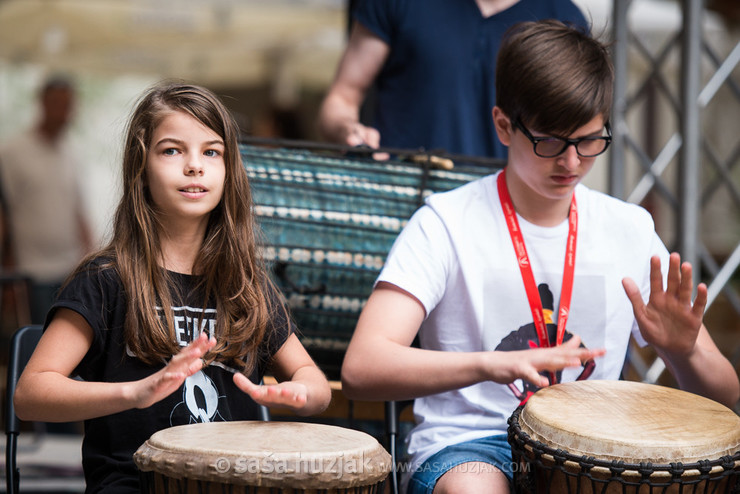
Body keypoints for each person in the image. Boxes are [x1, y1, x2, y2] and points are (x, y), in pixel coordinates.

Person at [340, 20, 740, 494]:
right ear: (503, 126)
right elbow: (362, 368)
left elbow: (726, 400)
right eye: (550, 141)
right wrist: (491, 364)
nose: (571, 162)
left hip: (593, 448)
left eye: (590, 140)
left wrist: (684, 349)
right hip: (472, 445)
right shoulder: (445, 222)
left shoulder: (629, 229)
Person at [14, 82, 332, 493]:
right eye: (172, 150)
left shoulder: (247, 286)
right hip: (134, 483)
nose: (194, 165)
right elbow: (32, 392)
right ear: (140, 167)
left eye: (211, 152)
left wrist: (301, 392)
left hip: (232, 483)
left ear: (229, 170)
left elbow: (315, 383)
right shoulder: (105, 278)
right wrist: (135, 392)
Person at [317, 0, 588, 160]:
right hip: (402, 203)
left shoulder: (563, 18)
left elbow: (571, 133)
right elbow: (341, 99)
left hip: (506, 217)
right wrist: (349, 131)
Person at [0, 76, 94, 324]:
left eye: (68, 105)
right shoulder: (13, 152)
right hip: (32, 272)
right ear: (42, 103)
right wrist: (7, 273)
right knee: (38, 342)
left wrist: (92, 260)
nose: (64, 112)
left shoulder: (72, 151)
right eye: (58, 104)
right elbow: (4, 216)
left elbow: (79, 211)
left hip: (71, 270)